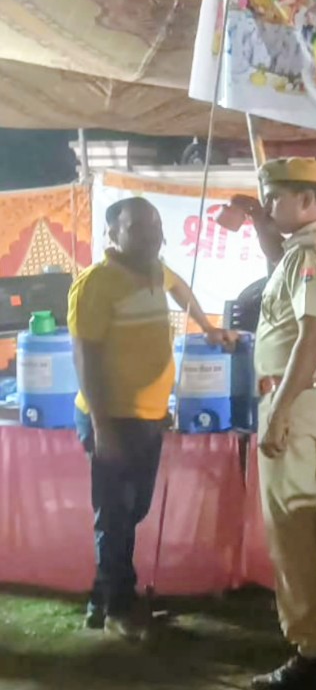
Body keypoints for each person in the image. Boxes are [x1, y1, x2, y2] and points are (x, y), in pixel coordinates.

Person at [68, 197, 237, 641]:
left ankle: (103, 598)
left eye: (156, 227)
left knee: (132, 510)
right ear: (112, 233)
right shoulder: (95, 283)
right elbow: (84, 358)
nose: (151, 236)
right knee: (116, 514)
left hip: (148, 417)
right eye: (138, 228)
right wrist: (103, 427)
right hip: (112, 418)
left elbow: (180, 289)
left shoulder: (155, 270)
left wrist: (208, 327)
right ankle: (118, 608)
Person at [238, 158, 316, 690]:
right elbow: (283, 279)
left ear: (306, 201)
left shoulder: (310, 254)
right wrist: (259, 222)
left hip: (296, 397)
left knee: (291, 527)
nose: (269, 207)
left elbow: (310, 334)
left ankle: (313, 646)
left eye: (275, 198)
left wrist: (280, 409)